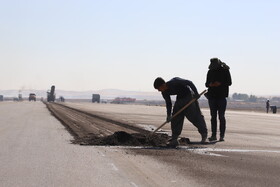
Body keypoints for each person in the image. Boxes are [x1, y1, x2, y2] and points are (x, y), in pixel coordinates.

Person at [153, 77, 208, 147]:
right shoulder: (164, 92)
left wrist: (196, 93)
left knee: (194, 117)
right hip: (180, 99)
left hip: (189, 96)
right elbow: (168, 103)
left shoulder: (175, 81)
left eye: (159, 88)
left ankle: (204, 135)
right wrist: (169, 115)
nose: (159, 90)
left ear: (163, 85)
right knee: (175, 117)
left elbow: (189, 82)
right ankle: (174, 139)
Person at [205, 58, 232, 142]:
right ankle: (213, 135)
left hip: (221, 96)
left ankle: (222, 136)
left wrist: (220, 83)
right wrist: (211, 84)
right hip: (212, 97)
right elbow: (206, 84)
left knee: (221, 116)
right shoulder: (210, 71)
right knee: (213, 117)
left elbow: (229, 82)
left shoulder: (225, 70)